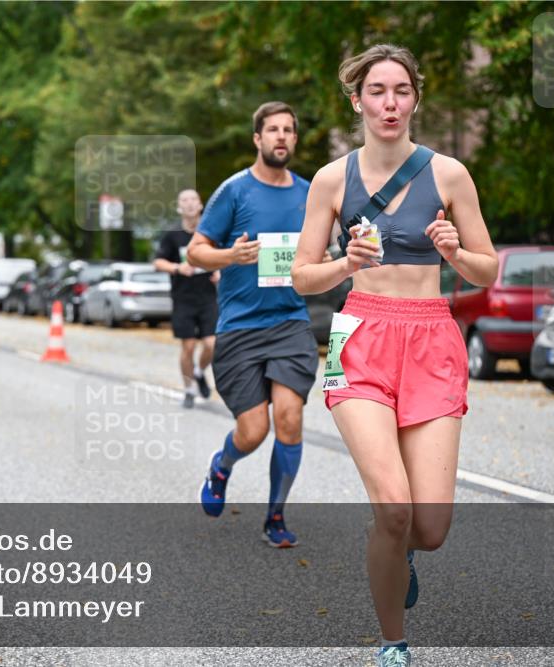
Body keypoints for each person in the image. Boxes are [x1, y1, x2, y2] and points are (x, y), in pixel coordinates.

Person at [290, 44, 498, 667]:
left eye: (401, 91)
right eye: (377, 91)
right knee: (394, 504)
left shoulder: (449, 174)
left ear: (415, 99)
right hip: (360, 338)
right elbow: (302, 277)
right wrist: (344, 264)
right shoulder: (332, 179)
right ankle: (393, 642)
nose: (390, 103)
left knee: (428, 529)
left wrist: (454, 252)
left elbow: (486, 271)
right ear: (358, 100)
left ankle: (401, 547)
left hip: (433, 337)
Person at [189, 102, 320, 548]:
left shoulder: (309, 193)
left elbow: (323, 247)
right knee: (253, 430)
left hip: (289, 323)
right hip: (241, 328)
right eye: (272, 130)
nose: (281, 136)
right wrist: (231, 256)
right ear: (258, 139)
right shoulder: (234, 191)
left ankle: (276, 516)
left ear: (294, 140)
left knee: (289, 418)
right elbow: (195, 251)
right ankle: (222, 464)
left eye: (288, 130)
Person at [153, 189, 220, 409]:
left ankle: (199, 372)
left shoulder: (211, 232)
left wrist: (220, 271)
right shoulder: (172, 235)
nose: (190, 204)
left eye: (193, 199)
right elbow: (158, 262)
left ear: (201, 205)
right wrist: (177, 267)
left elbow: (225, 256)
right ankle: (189, 389)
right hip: (183, 299)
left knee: (211, 344)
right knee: (188, 347)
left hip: (208, 297)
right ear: (179, 207)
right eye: (184, 201)